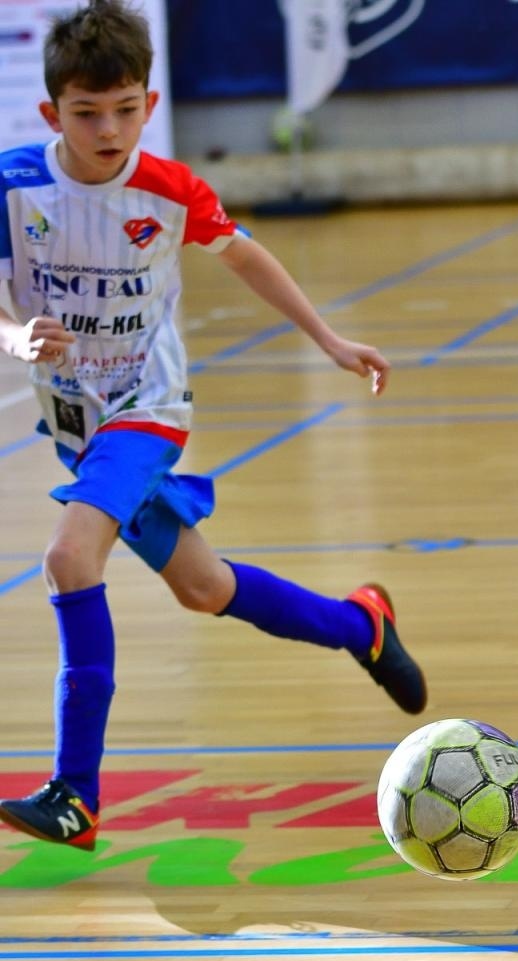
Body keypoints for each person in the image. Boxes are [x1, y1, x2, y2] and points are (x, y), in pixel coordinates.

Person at [0, 0, 427, 852]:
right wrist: (14, 337)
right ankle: (362, 626)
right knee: (203, 589)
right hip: (75, 422)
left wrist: (330, 338)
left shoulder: (169, 190)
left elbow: (248, 256)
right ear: (51, 113)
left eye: (125, 109)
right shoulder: (14, 186)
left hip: (148, 408)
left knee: (69, 558)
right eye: (87, 113)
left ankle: (76, 795)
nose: (109, 129)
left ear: (149, 105)